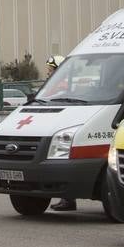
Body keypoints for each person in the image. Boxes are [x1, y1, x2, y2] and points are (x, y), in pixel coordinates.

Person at [43, 55, 77, 213]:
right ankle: (66, 198)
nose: (48, 73)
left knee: (63, 162)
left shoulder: (63, 85)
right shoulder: (54, 84)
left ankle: (68, 199)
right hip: (53, 126)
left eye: (50, 70)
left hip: (62, 129)